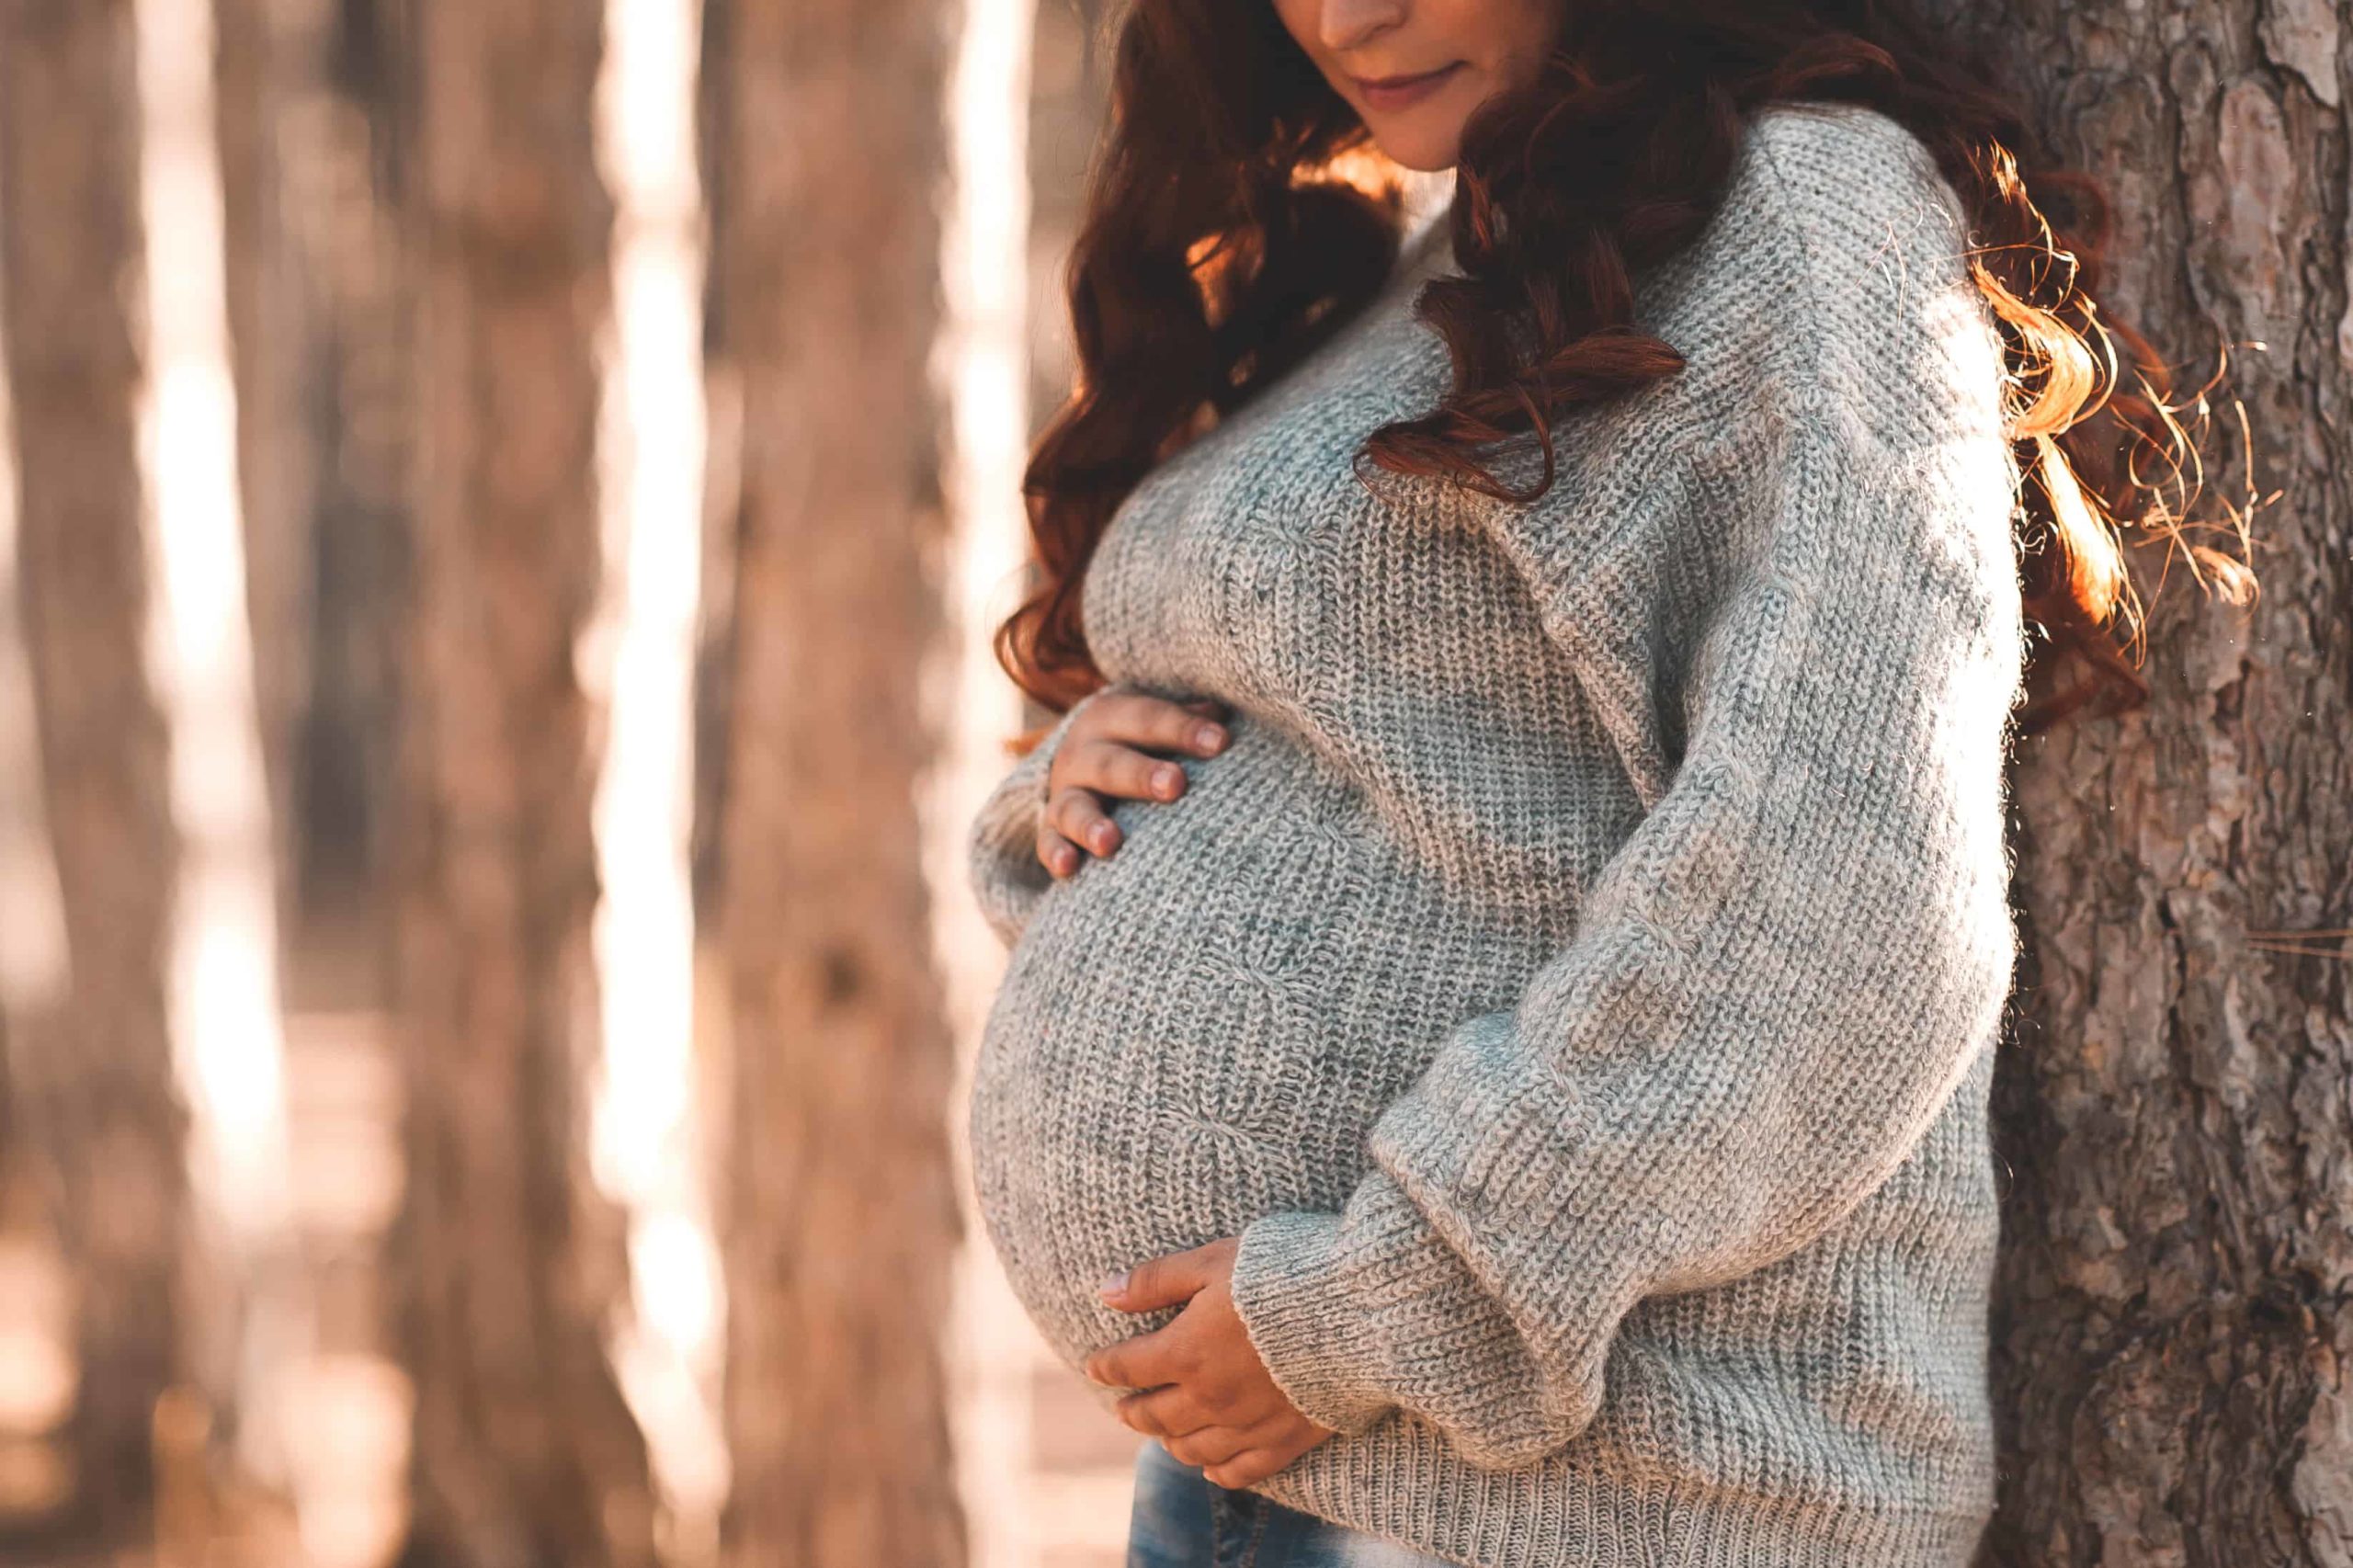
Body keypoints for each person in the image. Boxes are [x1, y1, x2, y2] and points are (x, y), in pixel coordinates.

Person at [963, 0, 2229, 1562]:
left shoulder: (1802, 213)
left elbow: (1843, 898)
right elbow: (1401, 758)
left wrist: (1384, 1304)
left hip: (1593, 1491)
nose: (1349, 15)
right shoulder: (1448, 237)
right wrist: (1078, 797)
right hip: (1305, 1453)